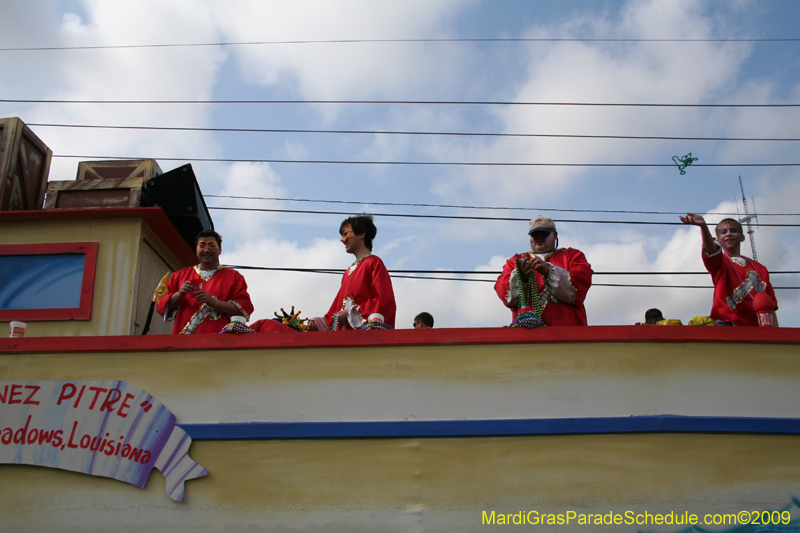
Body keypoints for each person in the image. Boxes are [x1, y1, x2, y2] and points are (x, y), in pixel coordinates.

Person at [680, 213, 777, 326]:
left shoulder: (760, 269)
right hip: (728, 323)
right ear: (719, 240)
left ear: (742, 237)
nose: (729, 234)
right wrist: (704, 227)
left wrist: (777, 334)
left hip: (758, 326)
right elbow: (711, 250)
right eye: (724, 232)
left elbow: (770, 306)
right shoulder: (720, 262)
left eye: (733, 230)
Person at [494, 216, 593, 326]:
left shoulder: (572, 255)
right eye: (535, 235)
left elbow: (581, 282)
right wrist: (521, 279)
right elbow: (504, 292)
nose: (539, 238)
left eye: (543, 234)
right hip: (528, 332)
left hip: (567, 331)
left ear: (555, 235)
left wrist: (549, 271)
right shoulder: (516, 261)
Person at [156, 230, 254, 334]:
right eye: (202, 246)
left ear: (220, 250)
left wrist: (213, 302)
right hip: (183, 341)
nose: (206, 250)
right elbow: (161, 305)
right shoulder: (179, 276)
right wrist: (179, 294)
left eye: (212, 246)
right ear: (196, 250)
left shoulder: (234, 277)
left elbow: (243, 308)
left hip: (220, 340)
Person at [309, 215, 396, 330]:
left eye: (345, 234)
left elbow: (383, 300)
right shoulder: (347, 272)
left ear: (361, 234)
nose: (342, 239)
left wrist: (351, 313)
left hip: (365, 336)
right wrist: (322, 322)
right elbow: (337, 307)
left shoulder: (373, 263)